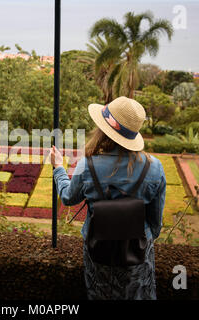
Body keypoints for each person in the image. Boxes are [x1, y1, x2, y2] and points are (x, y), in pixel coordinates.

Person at [50, 96, 166, 300]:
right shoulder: (154, 167)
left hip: (98, 246)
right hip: (138, 249)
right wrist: (144, 238)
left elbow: (68, 198)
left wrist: (58, 168)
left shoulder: (88, 165)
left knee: (99, 294)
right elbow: (155, 221)